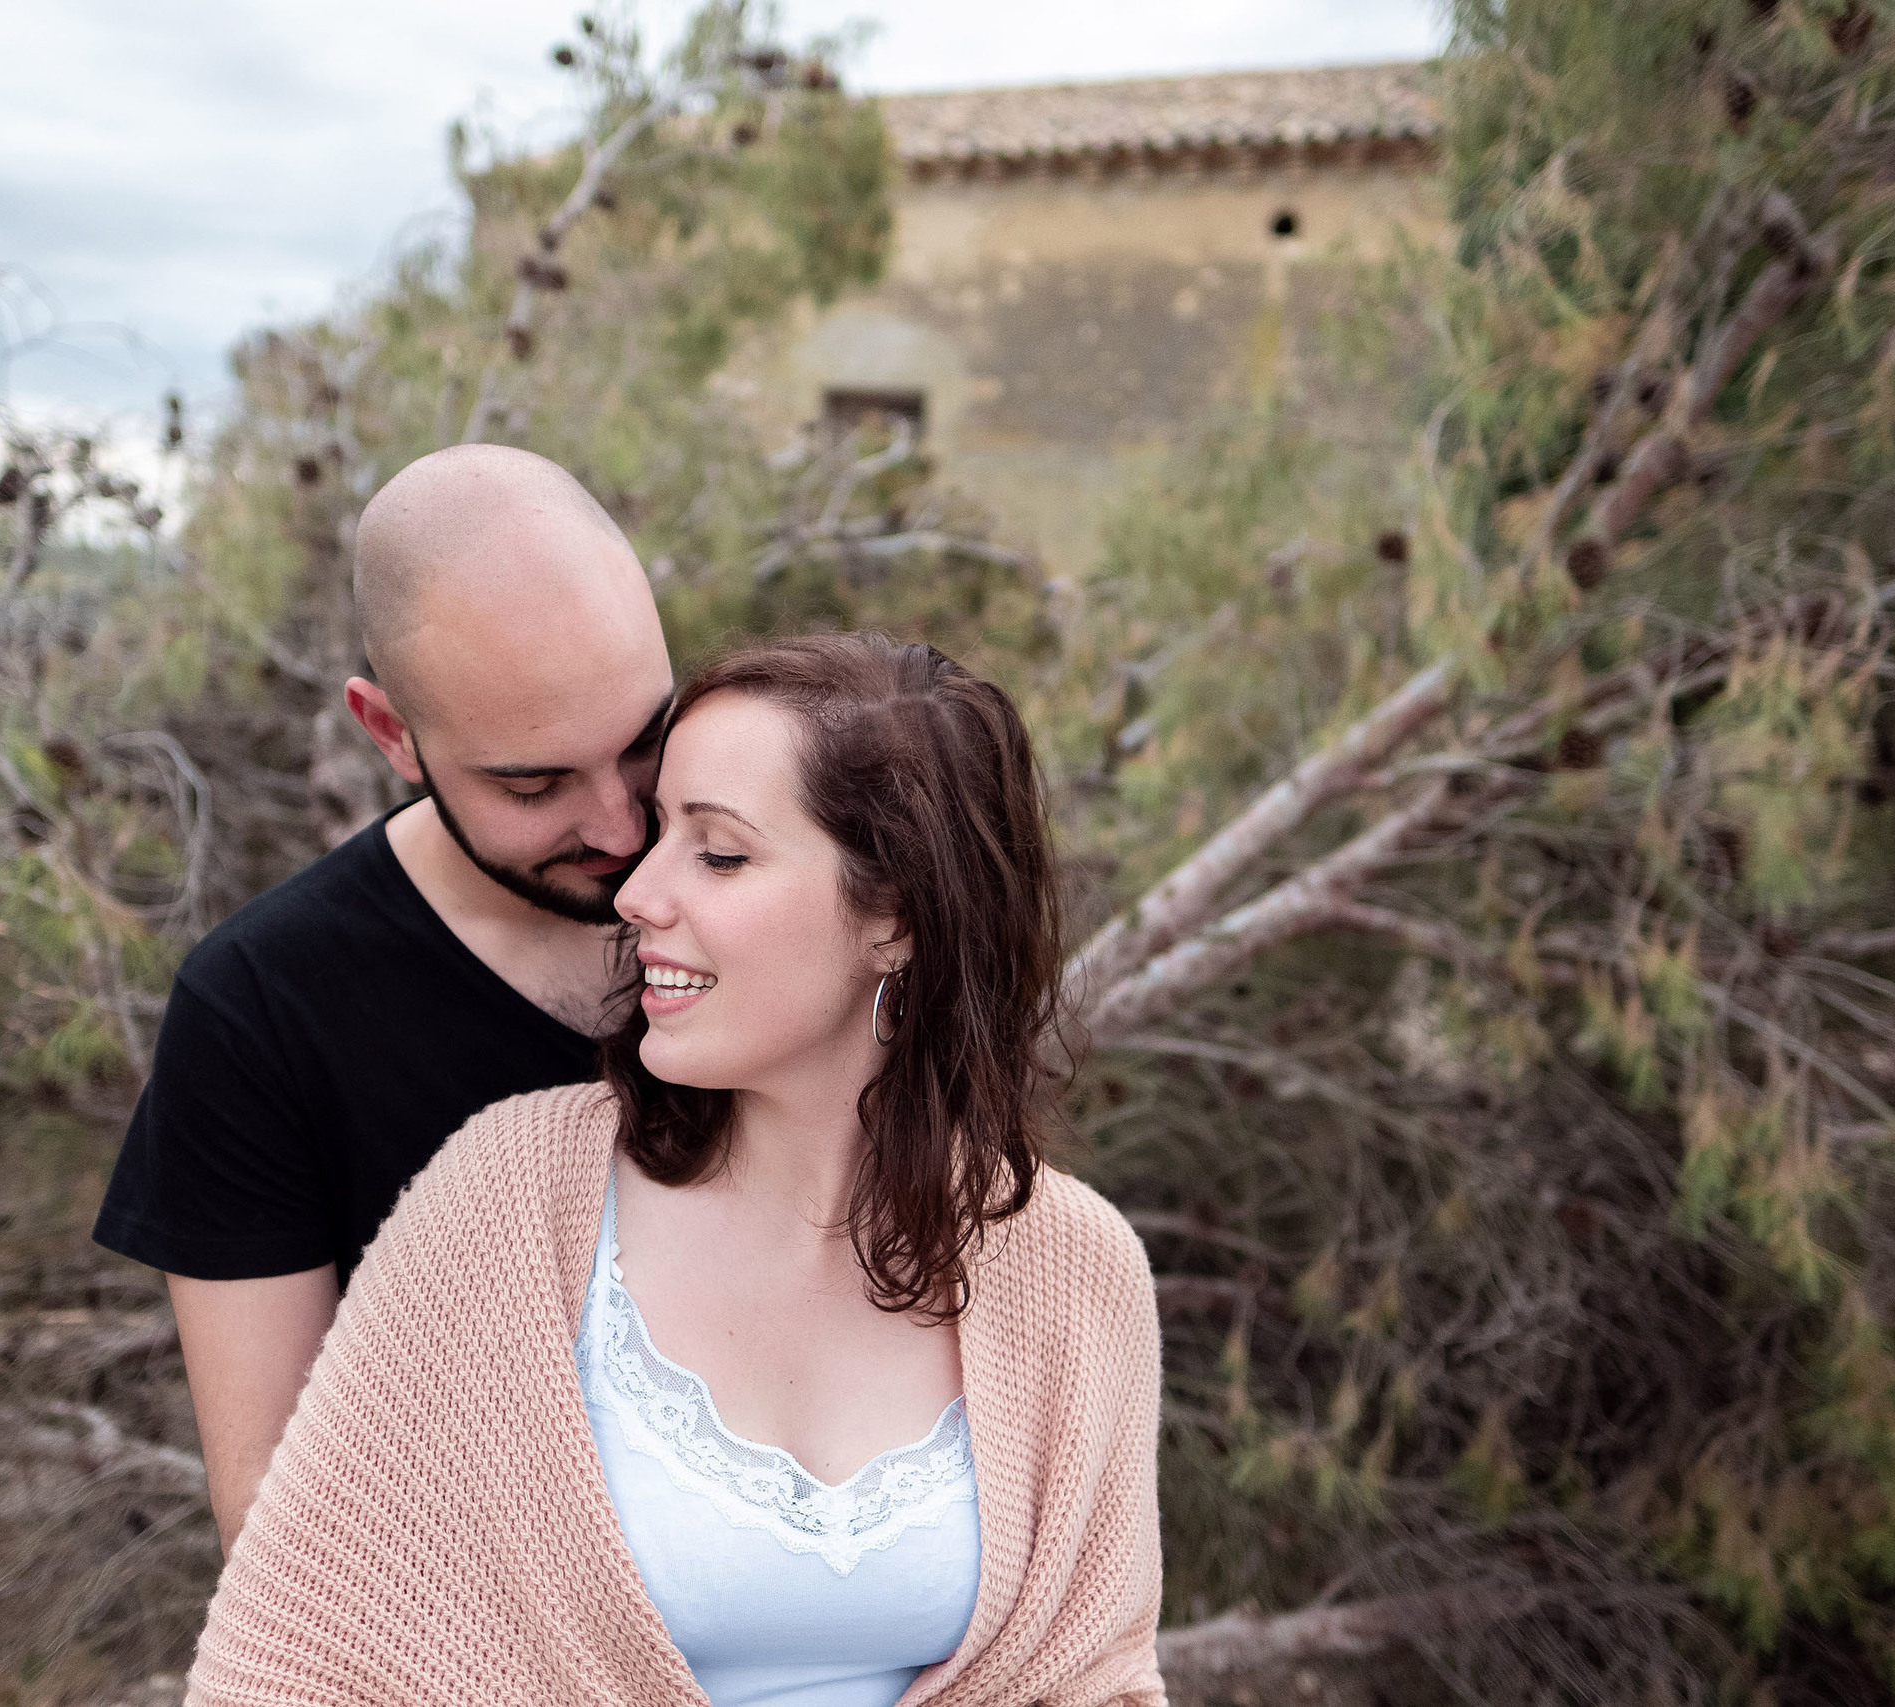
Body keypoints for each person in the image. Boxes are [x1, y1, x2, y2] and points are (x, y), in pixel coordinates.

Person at [185, 633, 1166, 1707]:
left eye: (720, 854)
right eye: (660, 835)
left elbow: (1102, 1676)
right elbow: (291, 1660)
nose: (636, 892)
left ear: (895, 916)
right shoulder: (506, 1202)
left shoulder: (1076, 1268)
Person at [91, 444, 674, 1554]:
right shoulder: (259, 1009)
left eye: (646, 742)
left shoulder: (790, 884)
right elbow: (277, 1514)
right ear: (390, 732)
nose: (622, 825)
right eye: (533, 783)